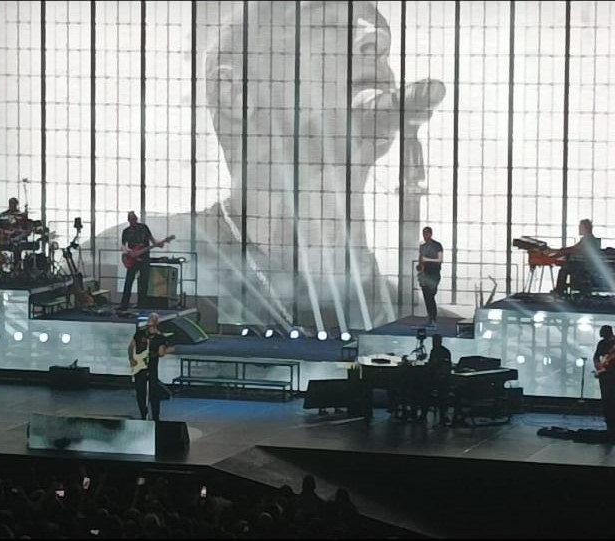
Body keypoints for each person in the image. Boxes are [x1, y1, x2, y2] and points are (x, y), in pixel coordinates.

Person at [96, 2, 446, 332]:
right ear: (235, 94)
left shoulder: (417, 315)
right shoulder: (109, 261)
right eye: (327, 23)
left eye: (382, 36)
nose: (376, 40)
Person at [129, 312, 173, 421]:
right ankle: (146, 415)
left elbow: (160, 353)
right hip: (141, 367)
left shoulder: (158, 337)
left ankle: (152, 417)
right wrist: (131, 359)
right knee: (143, 393)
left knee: (150, 394)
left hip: (149, 367)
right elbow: (131, 347)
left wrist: (167, 349)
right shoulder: (141, 334)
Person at [119, 211, 166, 311]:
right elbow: (123, 245)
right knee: (129, 281)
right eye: (131, 219)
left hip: (144, 258)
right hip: (132, 259)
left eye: (134, 218)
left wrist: (158, 244)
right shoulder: (126, 231)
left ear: (136, 218)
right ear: (128, 220)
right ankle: (124, 304)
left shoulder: (144, 228)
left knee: (143, 282)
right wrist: (128, 251)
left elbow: (152, 239)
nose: (133, 220)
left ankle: (142, 304)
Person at [553, 218, 602, 295]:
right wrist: (561, 250)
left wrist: (558, 252)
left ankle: (559, 291)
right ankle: (560, 290)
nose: (579, 229)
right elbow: (574, 248)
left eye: (580, 227)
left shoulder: (588, 240)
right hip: (585, 264)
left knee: (564, 269)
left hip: (585, 266)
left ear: (585, 228)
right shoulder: (588, 238)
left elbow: (575, 249)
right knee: (565, 266)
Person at [418, 226, 443, 328]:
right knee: (427, 296)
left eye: (427, 233)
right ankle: (431, 318)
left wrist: (427, 259)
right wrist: (420, 271)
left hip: (434, 273)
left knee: (430, 295)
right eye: (424, 233)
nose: (425, 235)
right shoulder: (422, 246)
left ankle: (433, 318)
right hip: (425, 274)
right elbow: (421, 260)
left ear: (431, 234)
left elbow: (440, 260)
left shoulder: (437, 245)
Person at [593, 325, 615, 437]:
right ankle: (609, 426)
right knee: (606, 401)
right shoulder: (601, 344)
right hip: (604, 376)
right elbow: (596, 357)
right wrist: (599, 367)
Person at [427, 333, 452, 426]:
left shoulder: (444, 352)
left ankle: (442, 416)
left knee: (442, 393)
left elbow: (445, 366)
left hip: (441, 379)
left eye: (436, 341)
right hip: (434, 378)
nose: (434, 343)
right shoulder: (433, 351)